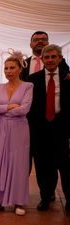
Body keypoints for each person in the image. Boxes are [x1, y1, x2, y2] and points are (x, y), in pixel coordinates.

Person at [0, 52, 33, 216]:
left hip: (19, 129)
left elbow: (24, 109)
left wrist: (2, 109)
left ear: (20, 68)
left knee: (18, 162)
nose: (8, 71)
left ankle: (18, 201)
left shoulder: (28, 86)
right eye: (6, 68)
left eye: (12, 67)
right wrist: (8, 107)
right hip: (0, 128)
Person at [27, 44, 70, 213]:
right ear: (42, 59)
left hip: (61, 127)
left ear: (60, 58)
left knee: (65, 165)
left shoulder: (68, 77)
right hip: (40, 128)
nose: (50, 60)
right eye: (47, 57)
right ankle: (45, 197)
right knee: (43, 165)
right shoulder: (33, 79)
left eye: (53, 57)